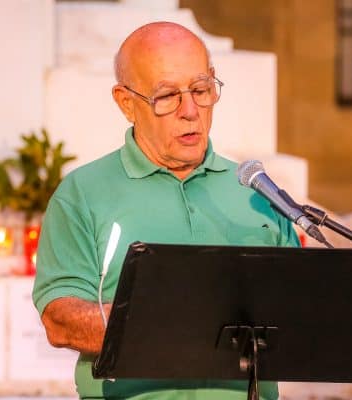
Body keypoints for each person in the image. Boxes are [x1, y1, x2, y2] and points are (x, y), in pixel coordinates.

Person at [32, 22, 300, 399]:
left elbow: (298, 315)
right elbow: (60, 320)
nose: (190, 111)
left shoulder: (256, 193)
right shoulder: (82, 193)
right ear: (126, 103)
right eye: (167, 96)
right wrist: (179, 323)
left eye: (201, 90)